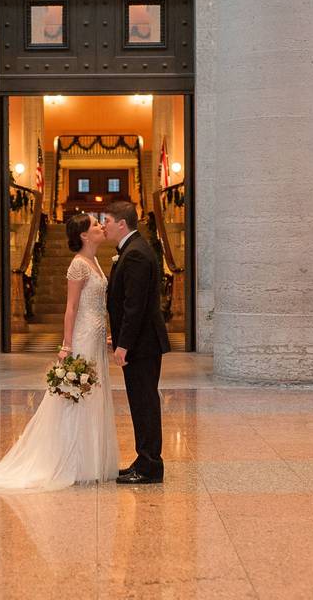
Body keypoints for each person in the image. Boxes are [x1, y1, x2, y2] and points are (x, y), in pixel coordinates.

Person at [0, 213, 118, 491]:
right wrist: (66, 345)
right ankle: (73, 460)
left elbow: (95, 304)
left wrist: (105, 334)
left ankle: (91, 460)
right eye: (95, 225)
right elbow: (71, 308)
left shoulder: (95, 261)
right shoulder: (78, 265)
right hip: (81, 337)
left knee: (93, 393)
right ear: (83, 235)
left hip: (95, 336)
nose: (100, 227)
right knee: (77, 395)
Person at [103, 201, 170, 485]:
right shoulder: (133, 250)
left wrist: (123, 345)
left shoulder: (135, 255)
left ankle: (150, 466)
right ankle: (143, 460)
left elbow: (135, 306)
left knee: (144, 403)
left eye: (106, 220)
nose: (103, 225)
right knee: (141, 402)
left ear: (121, 224)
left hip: (141, 345)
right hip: (140, 342)